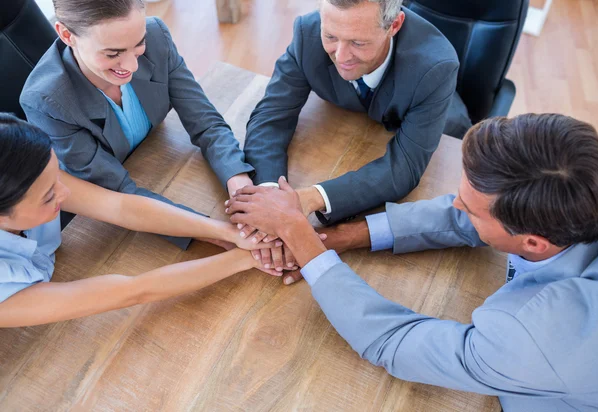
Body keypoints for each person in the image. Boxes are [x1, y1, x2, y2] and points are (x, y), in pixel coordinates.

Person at [226, 113, 598, 411]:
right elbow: (460, 216)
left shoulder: (535, 336)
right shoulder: (578, 189)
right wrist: (336, 239)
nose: (455, 202)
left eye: (470, 206)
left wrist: (300, 236)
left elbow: (392, 340)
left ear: (534, 242)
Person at [0, 114, 284, 328]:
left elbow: (121, 207)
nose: (65, 192)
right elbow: (132, 291)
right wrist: (248, 259)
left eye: (57, 177)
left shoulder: (28, 172)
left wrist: (228, 232)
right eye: (50, 196)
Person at [19, 0, 262, 251]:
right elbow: (120, 192)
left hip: (156, 155)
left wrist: (241, 188)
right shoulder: (47, 100)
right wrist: (216, 233)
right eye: (113, 54)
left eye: (138, 45)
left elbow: (206, 124)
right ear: (67, 35)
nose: (132, 66)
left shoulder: (157, 34)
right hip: (104, 205)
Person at [240, 0, 471, 236]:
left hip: (446, 137)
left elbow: (404, 169)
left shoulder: (436, 66)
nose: (340, 56)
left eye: (358, 42)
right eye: (330, 37)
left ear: (394, 25)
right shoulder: (307, 32)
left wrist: (311, 198)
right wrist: (270, 194)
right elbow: (270, 117)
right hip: (348, 124)